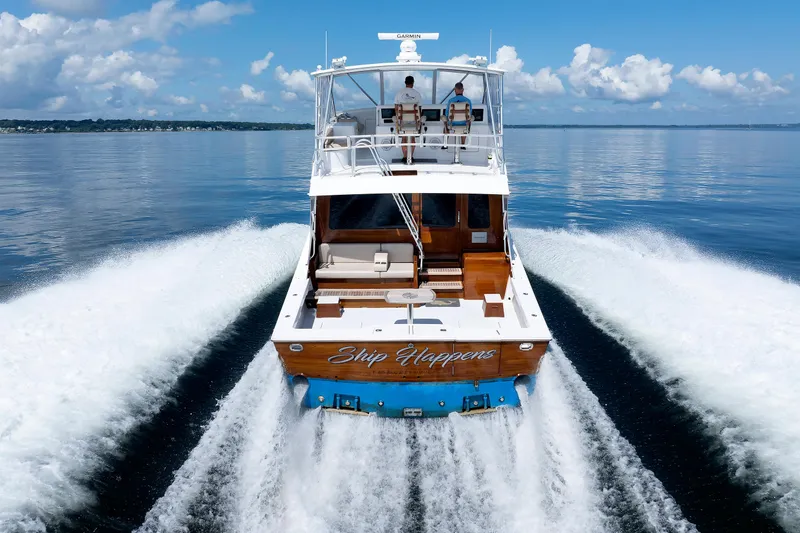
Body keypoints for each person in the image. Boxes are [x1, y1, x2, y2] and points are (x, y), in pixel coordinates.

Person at [394, 75, 422, 163]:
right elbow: (419, 110)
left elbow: (396, 108)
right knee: (412, 138)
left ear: (405, 82)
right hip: (414, 123)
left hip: (403, 122)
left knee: (404, 138)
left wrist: (399, 119)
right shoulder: (417, 94)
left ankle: (405, 156)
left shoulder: (399, 93)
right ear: (413, 83)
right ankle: (411, 156)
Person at [443, 82, 472, 149]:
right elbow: (469, 114)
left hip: (452, 126)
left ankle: (445, 144)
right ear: (463, 90)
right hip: (464, 125)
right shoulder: (468, 101)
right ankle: (463, 144)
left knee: (445, 125)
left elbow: (447, 114)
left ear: (455, 90)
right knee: (465, 126)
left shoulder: (451, 101)